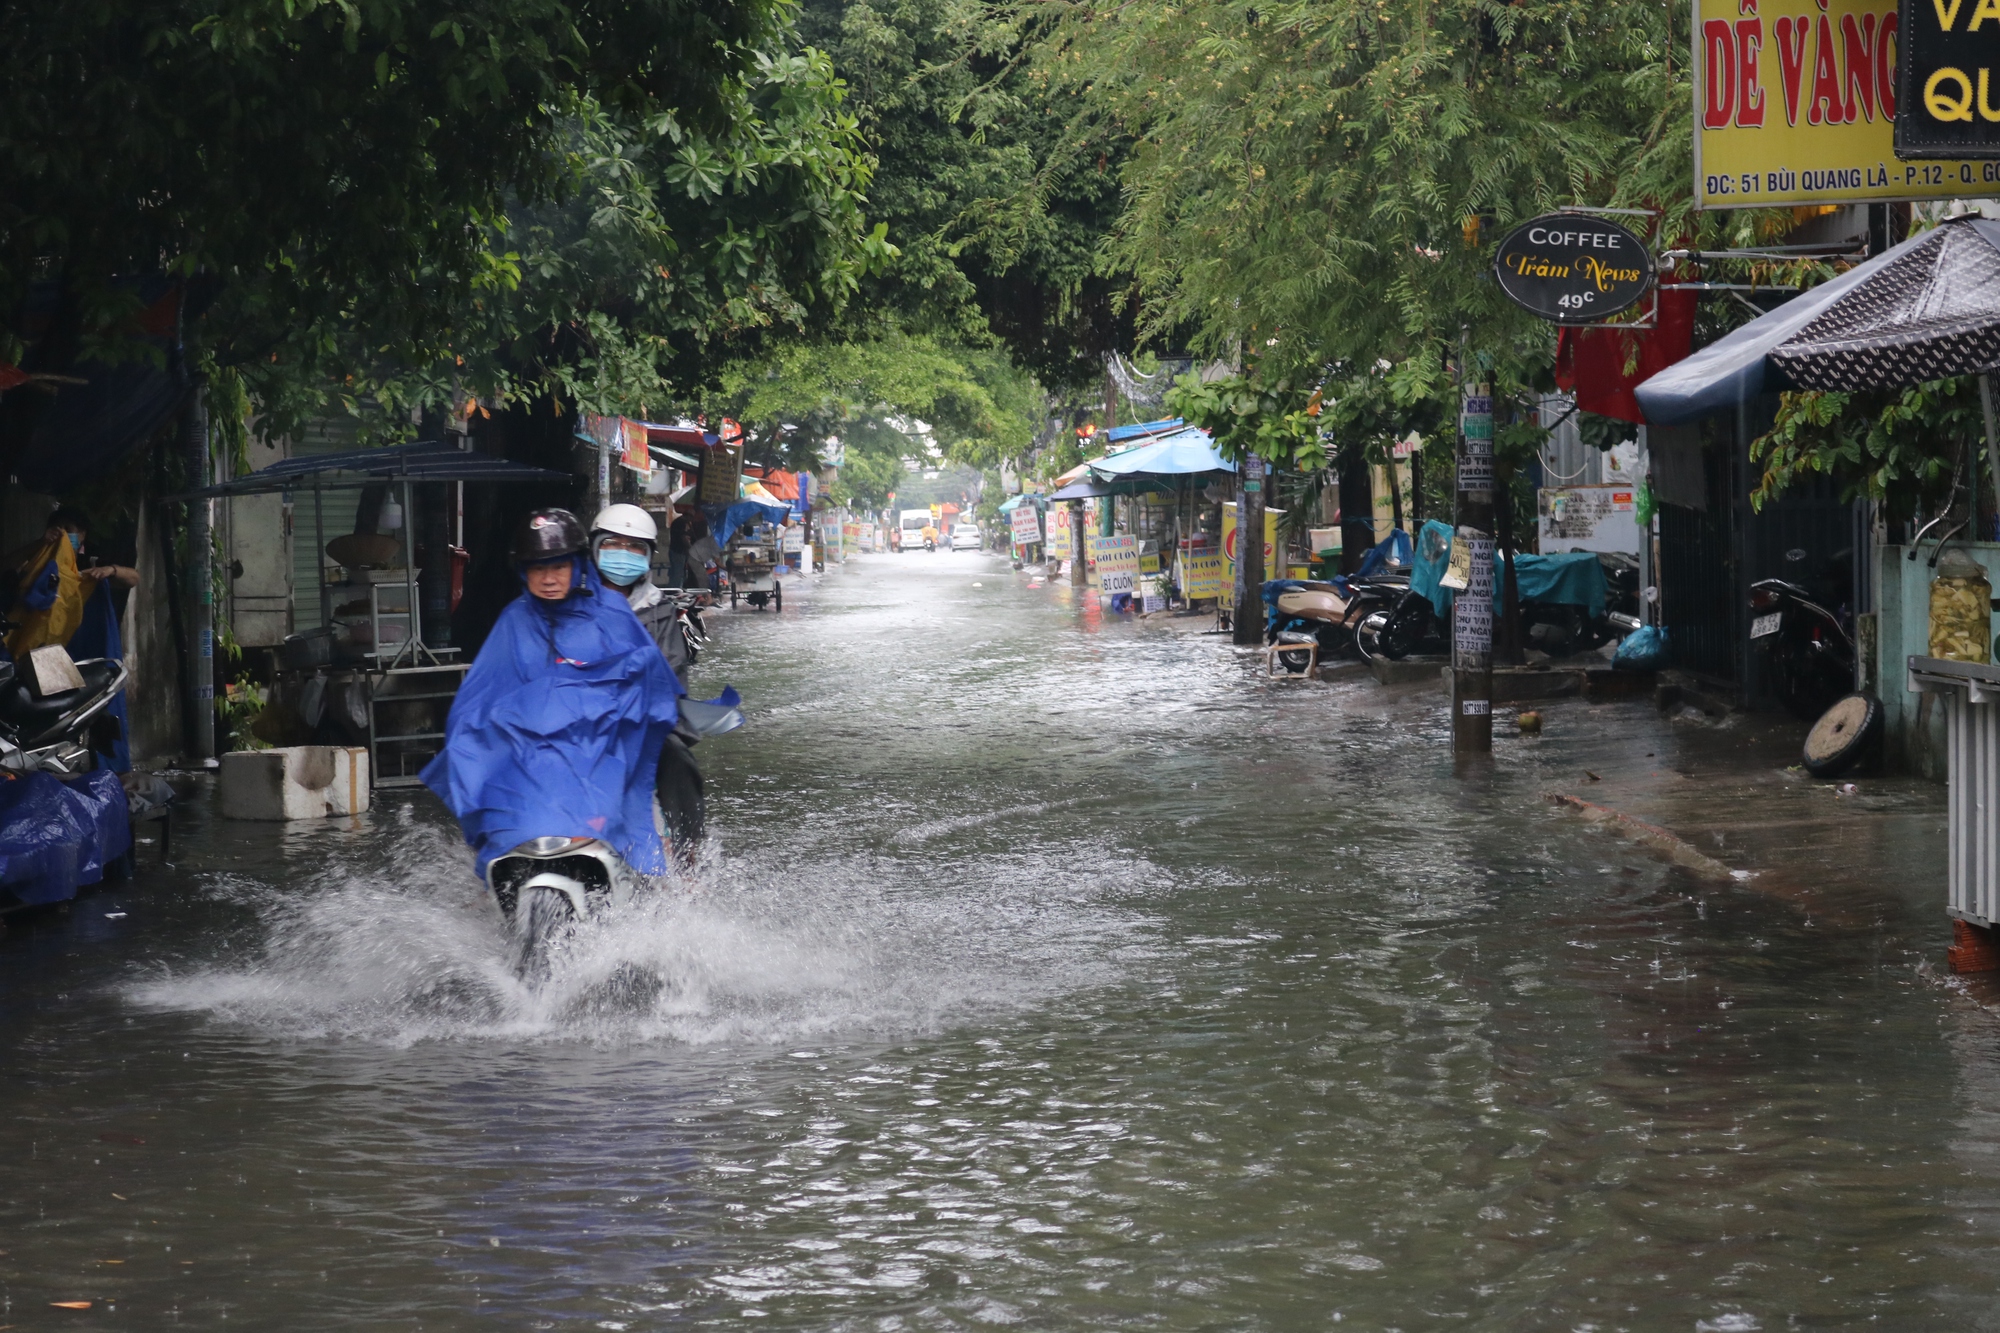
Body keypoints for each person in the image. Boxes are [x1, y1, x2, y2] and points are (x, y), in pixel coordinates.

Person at [420, 508, 681, 881]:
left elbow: (648, 679)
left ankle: (664, 879)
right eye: (538, 569)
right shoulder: (514, 620)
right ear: (523, 572)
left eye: (558, 567)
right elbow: (483, 694)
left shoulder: (612, 614)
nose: (548, 579)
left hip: (599, 748)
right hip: (531, 750)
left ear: (577, 565)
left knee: (658, 785)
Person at [590, 503, 707, 854]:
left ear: (648, 556)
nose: (623, 554)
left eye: (634, 547)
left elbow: (670, 676)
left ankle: (688, 853)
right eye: (613, 544)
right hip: (577, 719)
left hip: (641, 724)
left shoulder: (660, 613)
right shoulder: (571, 603)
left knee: (675, 756)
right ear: (596, 548)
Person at [4, 508, 138, 769]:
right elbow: (6, 565)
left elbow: (133, 578)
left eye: (72, 530)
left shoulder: (92, 564)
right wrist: (41, 544)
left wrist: (110, 570)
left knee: (93, 713)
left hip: (90, 651)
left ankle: (106, 768)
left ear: (83, 535)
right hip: (49, 652)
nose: (66, 535)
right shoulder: (38, 562)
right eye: (60, 528)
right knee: (46, 713)